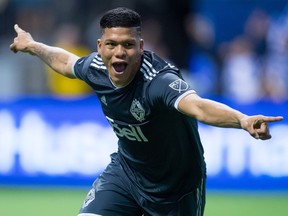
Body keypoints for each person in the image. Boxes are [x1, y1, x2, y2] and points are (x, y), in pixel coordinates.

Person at [10, 7, 283, 216]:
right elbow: (66, 61)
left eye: (128, 45)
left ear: (141, 47)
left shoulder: (158, 81)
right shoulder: (95, 68)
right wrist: (33, 46)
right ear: (100, 47)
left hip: (176, 190)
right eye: (112, 45)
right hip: (126, 175)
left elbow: (198, 106)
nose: (120, 53)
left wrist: (242, 119)